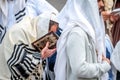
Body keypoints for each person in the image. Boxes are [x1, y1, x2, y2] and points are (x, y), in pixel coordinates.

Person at [54, 0, 111, 80]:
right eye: (97, 1)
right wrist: (104, 66)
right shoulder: (77, 33)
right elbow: (79, 69)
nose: (102, 4)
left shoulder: (87, 32)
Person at [0, 12, 58, 80]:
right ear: (43, 28)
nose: (49, 39)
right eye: (48, 34)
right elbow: (17, 68)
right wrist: (41, 56)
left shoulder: (36, 33)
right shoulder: (17, 33)